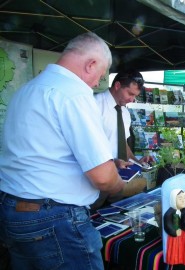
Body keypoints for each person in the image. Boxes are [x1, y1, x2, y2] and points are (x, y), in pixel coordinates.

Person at [0, 32, 126, 270]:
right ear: (91, 64)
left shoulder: (26, 90)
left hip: (13, 211)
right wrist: (120, 185)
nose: (96, 84)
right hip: (54, 220)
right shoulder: (73, 93)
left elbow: (48, 153)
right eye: (98, 76)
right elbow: (103, 176)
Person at [91, 70, 154, 210]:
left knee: (113, 218)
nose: (132, 100)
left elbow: (122, 143)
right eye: (130, 94)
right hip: (96, 181)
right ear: (117, 85)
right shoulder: (94, 105)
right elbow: (87, 146)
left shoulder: (125, 113)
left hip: (119, 181)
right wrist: (113, 162)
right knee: (92, 216)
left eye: (135, 96)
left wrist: (138, 161)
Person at [163, 189, 185, 265]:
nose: (183, 200)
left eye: (184, 198)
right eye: (180, 198)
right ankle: (174, 260)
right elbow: (167, 225)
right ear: (173, 200)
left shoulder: (183, 211)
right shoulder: (169, 213)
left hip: (182, 236)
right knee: (174, 250)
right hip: (174, 237)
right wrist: (174, 232)